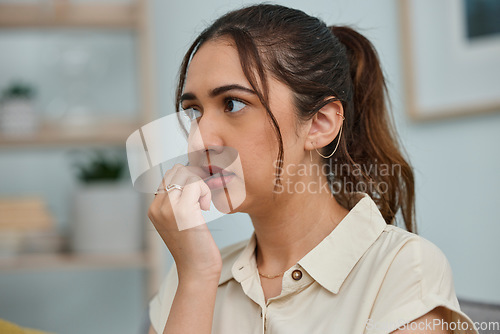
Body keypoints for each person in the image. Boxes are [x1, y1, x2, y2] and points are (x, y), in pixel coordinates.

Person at [146, 4, 478, 334]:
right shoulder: (191, 273)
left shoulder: (403, 270)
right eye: (193, 112)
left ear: (320, 124)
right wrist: (197, 277)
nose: (198, 140)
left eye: (233, 104)